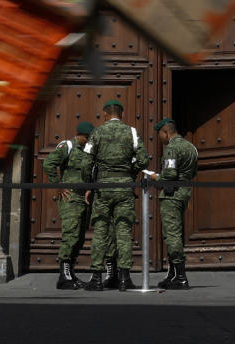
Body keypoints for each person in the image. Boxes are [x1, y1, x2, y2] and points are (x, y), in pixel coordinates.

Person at [81, 100, 149, 291]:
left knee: (101, 231)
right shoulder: (132, 132)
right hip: (125, 187)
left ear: (104, 114)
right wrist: (130, 172)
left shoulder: (97, 132)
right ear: (122, 113)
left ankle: (96, 277)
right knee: (124, 232)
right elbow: (143, 159)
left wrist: (89, 184)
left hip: (103, 187)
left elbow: (86, 162)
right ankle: (124, 278)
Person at [149, 118, 198, 290]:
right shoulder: (191, 147)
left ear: (166, 132)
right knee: (174, 232)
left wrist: (156, 178)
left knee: (172, 234)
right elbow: (193, 172)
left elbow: (169, 174)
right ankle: (172, 274)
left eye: (160, 135)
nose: (160, 139)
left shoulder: (172, 148)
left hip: (172, 194)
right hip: (184, 192)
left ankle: (181, 276)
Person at [44, 121, 93, 290]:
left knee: (79, 238)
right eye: (86, 138)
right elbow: (48, 163)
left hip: (83, 199)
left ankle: (71, 273)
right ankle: (63, 276)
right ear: (79, 135)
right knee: (70, 235)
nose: (88, 141)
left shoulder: (87, 151)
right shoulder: (68, 146)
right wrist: (57, 185)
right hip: (70, 198)